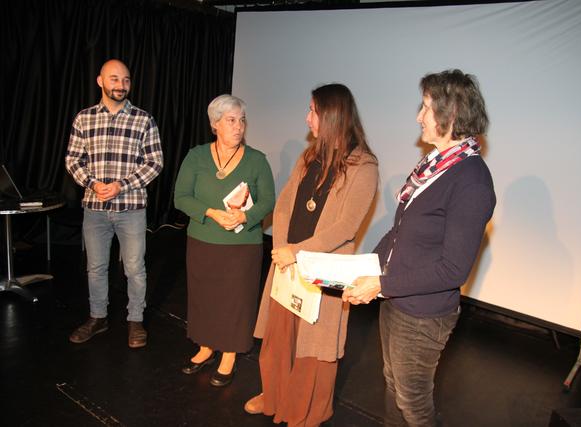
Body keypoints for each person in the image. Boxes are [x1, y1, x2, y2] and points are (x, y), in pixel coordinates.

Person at [343, 69, 496, 427]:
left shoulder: (471, 180)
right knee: (394, 386)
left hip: (424, 314)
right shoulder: (435, 166)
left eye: (426, 107)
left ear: (452, 114)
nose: (418, 116)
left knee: (414, 404)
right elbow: (401, 233)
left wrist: (381, 284)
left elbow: (453, 270)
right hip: (398, 299)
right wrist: (366, 268)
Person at [244, 84, 379, 426]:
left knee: (313, 350)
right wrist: (281, 248)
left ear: (332, 115)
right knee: (279, 339)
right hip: (288, 263)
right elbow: (287, 203)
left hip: (322, 270)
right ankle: (273, 396)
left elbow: (346, 227)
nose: (307, 118)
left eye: (313, 111)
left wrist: (296, 252)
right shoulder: (309, 156)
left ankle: (305, 411)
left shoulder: (364, 166)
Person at [174, 94, 275, 387]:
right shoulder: (196, 156)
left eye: (242, 120)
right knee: (204, 296)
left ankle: (229, 353)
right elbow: (181, 197)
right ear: (215, 124)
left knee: (235, 299)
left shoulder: (257, 160)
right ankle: (206, 347)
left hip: (242, 246)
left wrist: (244, 217)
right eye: (231, 120)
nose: (238, 126)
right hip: (203, 240)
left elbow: (268, 200)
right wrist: (210, 213)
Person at [65, 59, 164, 348]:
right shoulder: (84, 118)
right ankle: (98, 318)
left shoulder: (144, 119)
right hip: (94, 208)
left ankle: (135, 320)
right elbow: (73, 160)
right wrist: (93, 184)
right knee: (95, 267)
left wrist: (122, 184)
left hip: (131, 208)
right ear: (100, 81)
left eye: (126, 80)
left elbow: (155, 162)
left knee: (134, 267)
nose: (121, 85)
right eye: (114, 79)